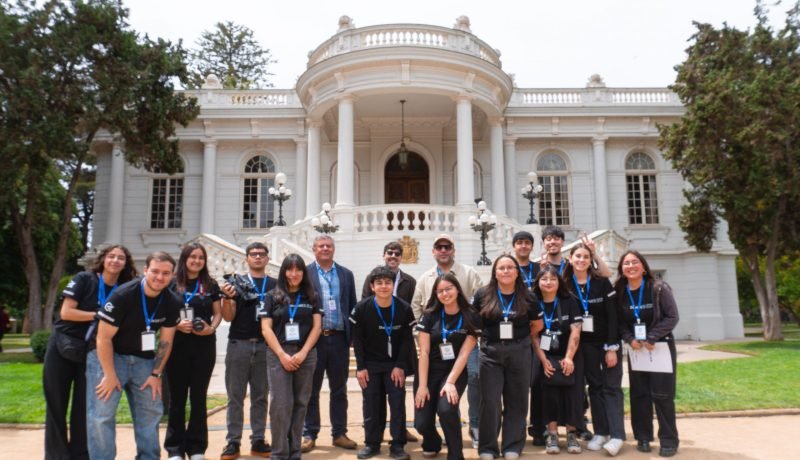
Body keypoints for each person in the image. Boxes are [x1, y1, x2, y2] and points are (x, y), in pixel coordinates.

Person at [86, 251, 182, 460]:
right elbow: (103, 338)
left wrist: (156, 374)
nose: (159, 277)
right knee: (101, 415)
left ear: (172, 275)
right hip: (109, 357)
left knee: (151, 413)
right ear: (145, 270)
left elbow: (166, 341)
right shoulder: (124, 294)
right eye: (155, 271)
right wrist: (109, 375)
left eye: (166, 273)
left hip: (144, 361)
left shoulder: (172, 301)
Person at [44, 245, 137, 460]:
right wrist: (99, 315)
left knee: (84, 408)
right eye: (111, 256)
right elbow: (66, 312)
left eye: (121, 257)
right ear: (103, 259)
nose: (115, 260)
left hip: (93, 353)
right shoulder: (85, 279)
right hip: (62, 348)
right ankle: (56, 456)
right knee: (56, 405)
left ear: (126, 263)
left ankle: (81, 454)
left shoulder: (125, 289)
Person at [411, 234, 483, 447]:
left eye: (447, 246)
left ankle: (475, 427)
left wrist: (470, 319)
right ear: (433, 251)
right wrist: (422, 328)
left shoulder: (469, 273)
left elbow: (481, 300)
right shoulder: (425, 277)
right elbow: (416, 305)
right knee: (422, 420)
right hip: (432, 349)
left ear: (453, 249)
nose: (443, 250)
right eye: (438, 247)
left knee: (468, 385)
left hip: (463, 340)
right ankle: (431, 440)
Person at [475, 254, 543, 460]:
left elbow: (537, 325)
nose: (505, 271)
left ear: (517, 271)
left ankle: (512, 445)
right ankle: (488, 448)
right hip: (491, 353)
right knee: (490, 400)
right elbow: (475, 322)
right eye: (501, 268)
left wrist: (519, 341)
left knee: (517, 400)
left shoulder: (528, 296)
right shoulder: (483, 294)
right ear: (495, 272)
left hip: (520, 352)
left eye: (510, 268)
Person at [615, 251, 680, 457]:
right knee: (639, 394)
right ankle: (643, 437)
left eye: (635, 262)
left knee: (662, 395)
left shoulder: (658, 288)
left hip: (659, 347)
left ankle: (668, 440)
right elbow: (620, 322)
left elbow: (672, 317)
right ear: (622, 269)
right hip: (637, 350)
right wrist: (629, 339)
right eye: (626, 263)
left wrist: (652, 337)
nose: (631, 266)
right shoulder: (620, 292)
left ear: (643, 267)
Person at [563, 243, 625, 456]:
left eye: (585, 257)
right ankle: (601, 432)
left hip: (607, 343)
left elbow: (613, 316)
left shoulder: (601, 282)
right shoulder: (565, 285)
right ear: (570, 259)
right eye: (577, 256)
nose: (581, 260)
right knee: (595, 388)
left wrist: (611, 347)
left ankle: (617, 435)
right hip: (585, 346)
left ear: (591, 261)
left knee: (612, 388)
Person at [260, 254, 323, 460]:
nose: (294, 274)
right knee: (280, 404)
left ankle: (294, 451)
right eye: (289, 269)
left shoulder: (312, 295)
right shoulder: (272, 296)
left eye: (298, 270)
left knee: (300, 402)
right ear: (283, 271)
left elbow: (317, 327)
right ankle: (279, 453)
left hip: (306, 354)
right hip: (278, 353)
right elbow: (266, 329)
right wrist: (282, 355)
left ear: (304, 273)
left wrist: (303, 352)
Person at [164, 243, 222, 460]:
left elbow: (217, 314)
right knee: (177, 399)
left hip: (203, 345)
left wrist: (212, 328)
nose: (197, 261)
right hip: (177, 345)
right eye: (193, 257)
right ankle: (175, 449)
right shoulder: (171, 283)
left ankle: (197, 448)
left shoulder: (210, 284)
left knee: (198, 398)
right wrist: (176, 324)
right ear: (184, 258)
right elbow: (163, 312)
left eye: (201, 258)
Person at [351, 266, 416, 460]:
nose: (384, 286)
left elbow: (407, 340)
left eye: (388, 282)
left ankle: (397, 445)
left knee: (397, 405)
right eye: (379, 283)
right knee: (372, 405)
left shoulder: (404, 308)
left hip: (394, 366)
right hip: (370, 365)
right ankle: (372, 443)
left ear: (393, 285)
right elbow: (358, 339)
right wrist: (361, 367)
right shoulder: (362, 308)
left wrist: (400, 365)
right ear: (372, 286)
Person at [302, 234, 359, 452]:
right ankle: (309, 433)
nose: (325, 249)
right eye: (321, 246)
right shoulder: (305, 274)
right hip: (313, 341)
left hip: (338, 340)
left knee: (339, 389)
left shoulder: (346, 274)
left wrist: (352, 338)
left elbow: (351, 306)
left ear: (333, 249)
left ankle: (339, 433)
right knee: (311, 389)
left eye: (329, 246)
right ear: (314, 249)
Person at [219, 242, 276, 459]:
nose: (258, 257)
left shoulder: (275, 284)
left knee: (261, 395)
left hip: (265, 346)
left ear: (267, 259)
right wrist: (227, 298)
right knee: (235, 396)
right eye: (253, 254)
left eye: (262, 254)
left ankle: (258, 440)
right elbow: (228, 317)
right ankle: (233, 442)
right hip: (239, 344)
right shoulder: (237, 283)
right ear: (247, 259)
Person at [361, 241, 419, 443]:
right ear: (384, 255)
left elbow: (411, 308)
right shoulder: (372, 277)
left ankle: (400, 432)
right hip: (375, 346)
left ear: (401, 257)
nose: (393, 256)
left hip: (399, 346)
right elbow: (364, 307)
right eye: (389, 252)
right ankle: (374, 436)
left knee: (397, 397)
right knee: (373, 399)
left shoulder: (410, 281)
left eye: (397, 253)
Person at [532, 263, 584, 455]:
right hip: (545, 355)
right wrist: (543, 360)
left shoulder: (569, 300)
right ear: (538, 282)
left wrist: (569, 358)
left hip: (568, 354)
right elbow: (534, 335)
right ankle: (552, 434)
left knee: (571, 394)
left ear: (559, 282)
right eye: (544, 279)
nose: (548, 282)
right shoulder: (533, 302)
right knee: (549, 395)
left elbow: (576, 330)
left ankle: (571, 434)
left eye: (553, 279)